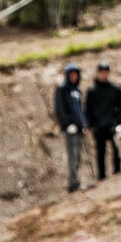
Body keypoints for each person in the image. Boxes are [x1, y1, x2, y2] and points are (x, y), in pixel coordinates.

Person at [83, 63, 121, 182]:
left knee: (116, 149)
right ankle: (101, 176)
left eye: (105, 72)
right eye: (101, 72)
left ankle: (117, 172)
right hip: (98, 126)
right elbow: (88, 109)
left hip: (113, 125)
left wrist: (118, 121)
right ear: (98, 73)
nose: (103, 74)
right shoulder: (92, 91)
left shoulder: (114, 89)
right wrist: (90, 124)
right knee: (100, 152)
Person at [53, 65, 88, 194]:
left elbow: (80, 110)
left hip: (79, 128)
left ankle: (75, 180)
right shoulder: (62, 90)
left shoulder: (77, 91)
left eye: (76, 74)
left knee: (78, 156)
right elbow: (59, 110)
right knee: (72, 156)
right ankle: (73, 183)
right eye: (71, 74)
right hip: (70, 129)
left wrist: (84, 124)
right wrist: (67, 124)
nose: (74, 77)